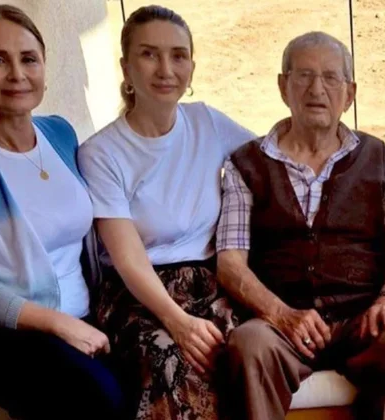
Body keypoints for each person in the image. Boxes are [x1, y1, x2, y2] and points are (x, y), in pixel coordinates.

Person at [216, 31, 385, 420]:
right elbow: (230, 263)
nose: (317, 89)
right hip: (279, 323)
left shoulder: (378, 157)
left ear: (349, 94)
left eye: (331, 77)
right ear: (283, 86)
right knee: (248, 346)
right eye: (304, 76)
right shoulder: (245, 164)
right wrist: (280, 314)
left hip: (361, 319)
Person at [0, 4, 126, 419]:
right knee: (94, 395)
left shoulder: (60, 133)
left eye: (29, 59)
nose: (17, 74)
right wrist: (59, 324)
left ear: (44, 66)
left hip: (82, 314)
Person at [77, 5, 255, 420]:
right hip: (139, 295)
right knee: (172, 361)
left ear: (192, 66)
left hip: (211, 284)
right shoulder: (101, 153)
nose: (165, 69)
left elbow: (272, 159)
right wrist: (178, 321)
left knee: (248, 351)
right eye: (149, 54)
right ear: (126, 66)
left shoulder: (207, 122)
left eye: (178, 55)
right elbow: (128, 259)